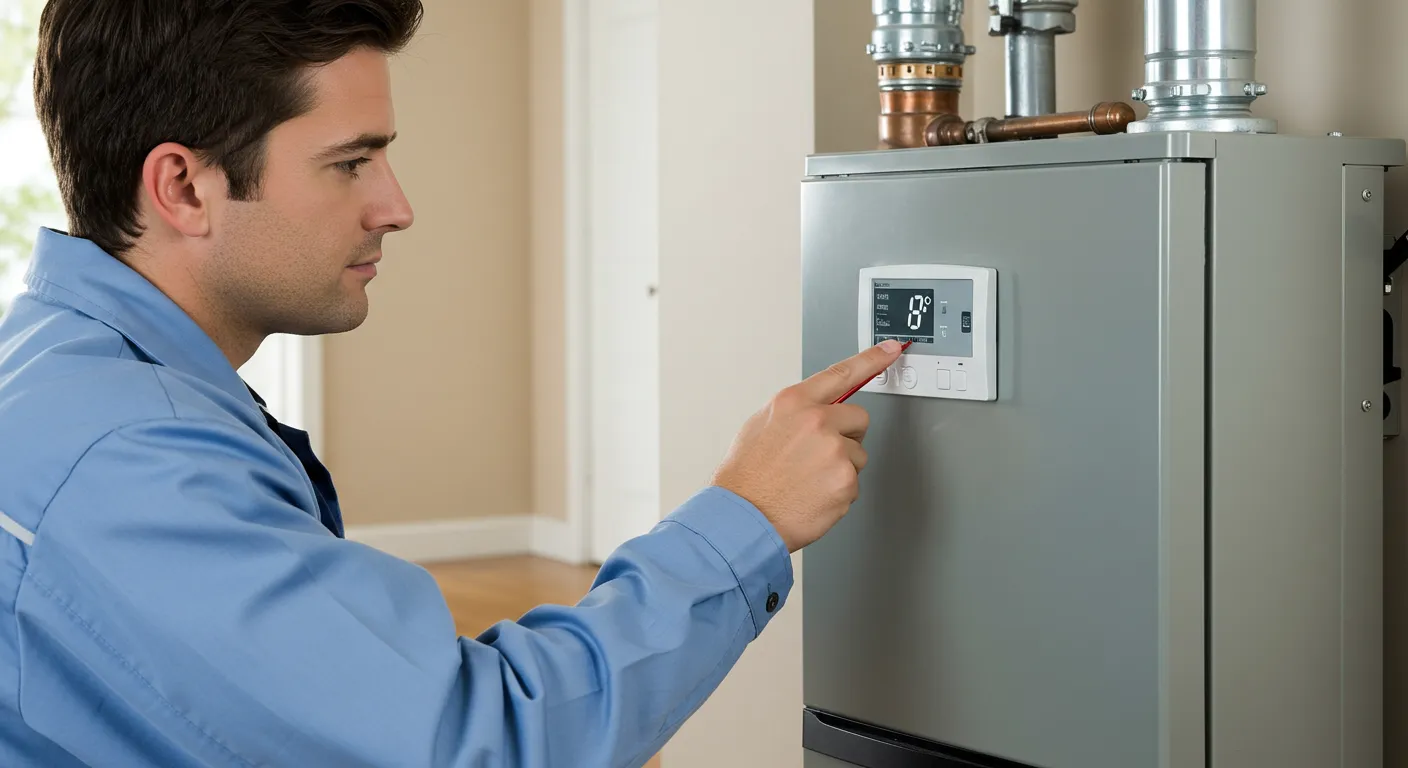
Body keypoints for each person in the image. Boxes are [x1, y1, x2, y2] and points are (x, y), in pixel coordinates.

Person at [0, 1, 903, 766]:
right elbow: (476, 741)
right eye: (350, 162)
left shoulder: (59, 362)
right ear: (183, 189)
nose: (396, 206)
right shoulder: (133, 464)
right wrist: (745, 515)